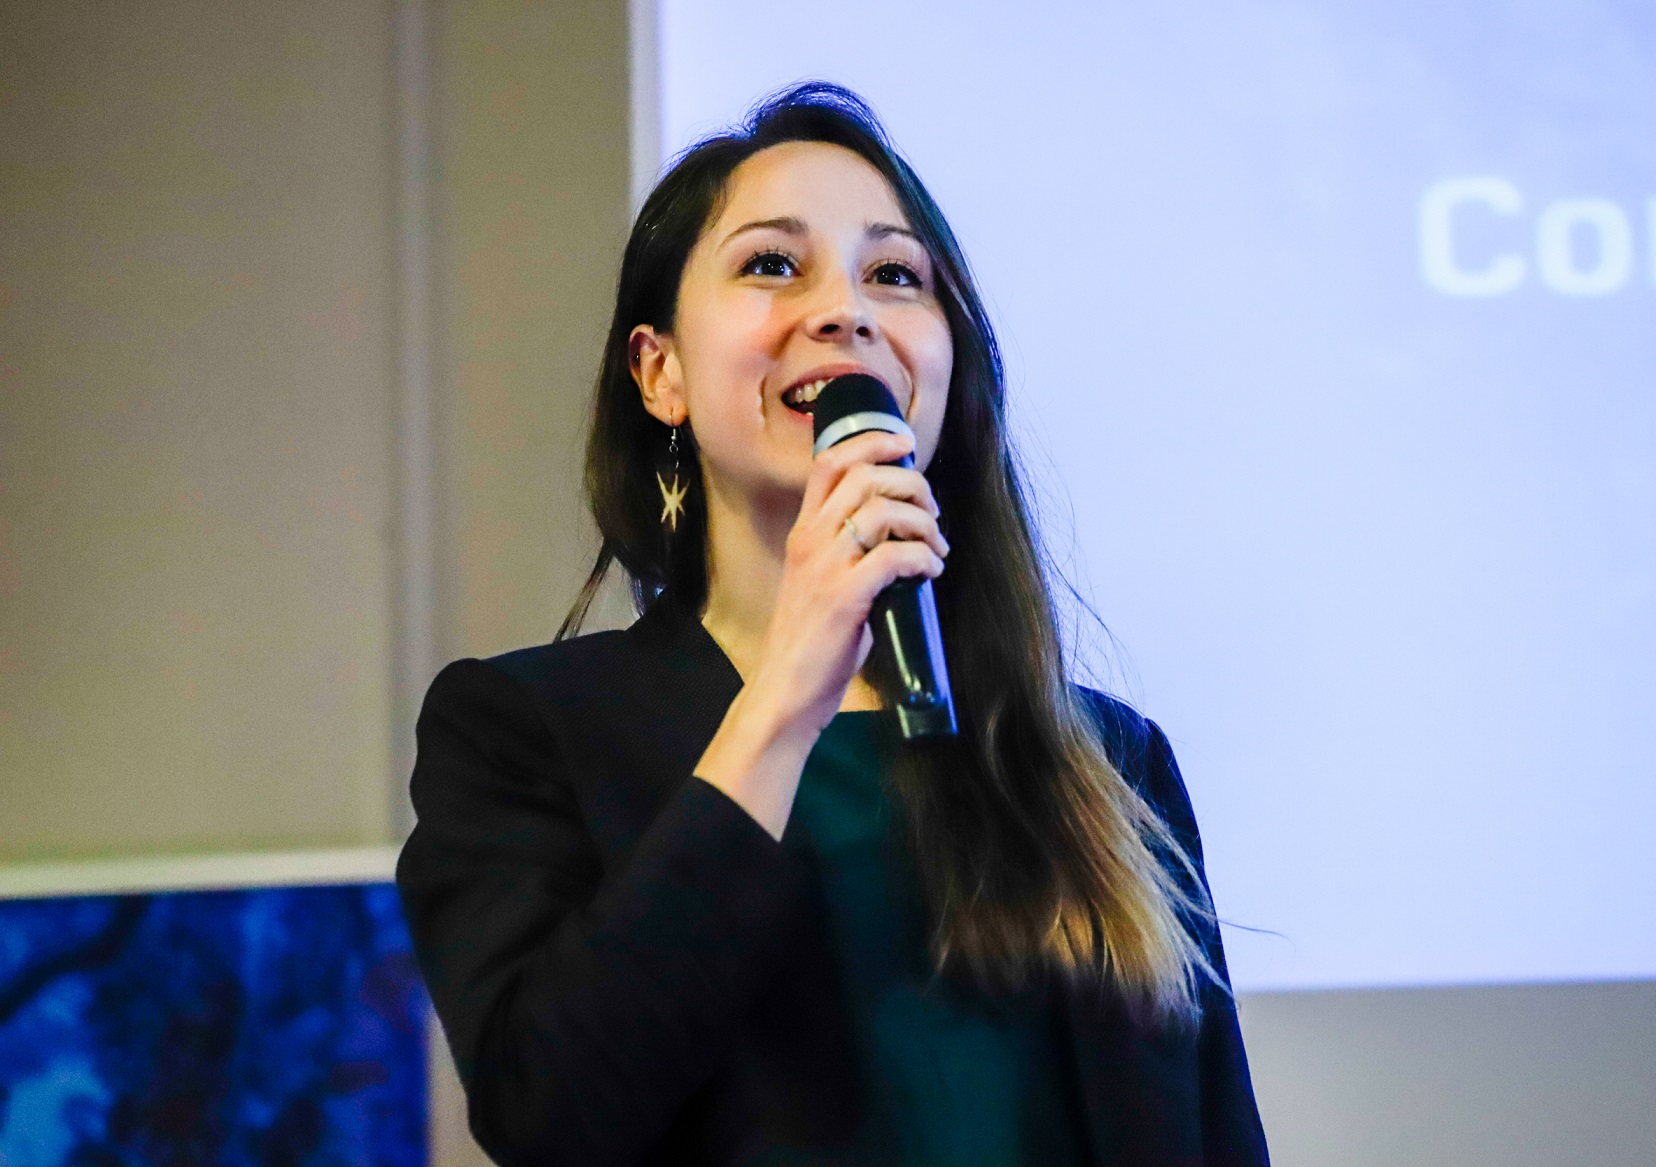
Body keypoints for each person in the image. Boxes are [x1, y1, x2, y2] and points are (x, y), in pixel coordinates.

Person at [397, 82, 1269, 1167]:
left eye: (894, 276)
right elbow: (554, 1117)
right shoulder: (522, 730)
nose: (843, 310)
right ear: (659, 371)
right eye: (772, 264)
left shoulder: (1108, 758)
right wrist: (784, 700)